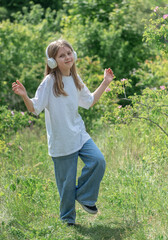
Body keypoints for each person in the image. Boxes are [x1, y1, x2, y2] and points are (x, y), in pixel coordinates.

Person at [12, 39, 114, 226]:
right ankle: (68, 220)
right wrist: (25, 96)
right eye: (62, 55)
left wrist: (105, 83)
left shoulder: (75, 79)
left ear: (74, 55)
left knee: (98, 161)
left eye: (69, 53)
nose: (67, 57)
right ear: (52, 61)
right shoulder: (49, 82)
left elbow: (89, 101)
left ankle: (84, 196)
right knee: (66, 185)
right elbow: (34, 108)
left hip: (79, 134)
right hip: (61, 141)